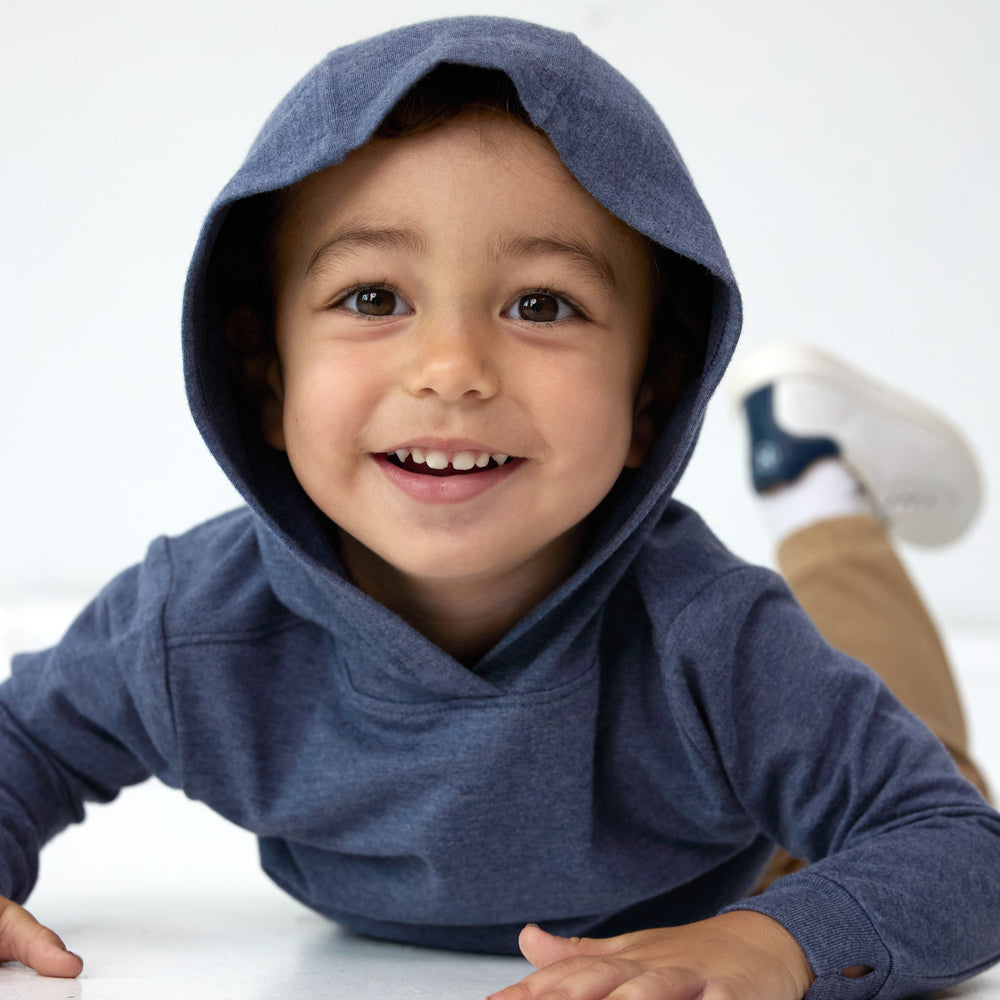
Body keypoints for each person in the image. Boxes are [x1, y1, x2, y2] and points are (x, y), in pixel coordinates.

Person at [0, 17, 997, 1000]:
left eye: (541, 304)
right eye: (372, 296)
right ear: (265, 375)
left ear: (651, 394)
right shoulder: (192, 624)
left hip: (770, 866)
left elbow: (959, 847)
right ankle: (805, 461)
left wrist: (768, 942)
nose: (452, 370)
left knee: (915, 729)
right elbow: (25, 740)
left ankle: (819, 489)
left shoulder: (713, 637)